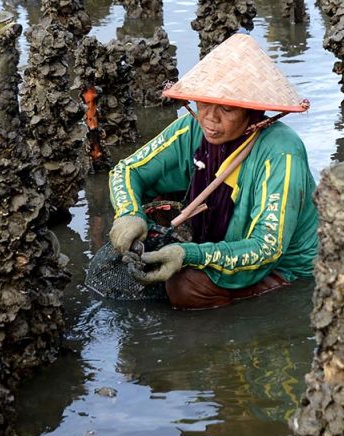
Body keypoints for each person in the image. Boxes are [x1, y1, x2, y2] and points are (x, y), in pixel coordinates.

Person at [107, 32, 319, 310]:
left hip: (281, 266)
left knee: (185, 287)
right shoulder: (192, 128)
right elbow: (127, 170)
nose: (210, 117)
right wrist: (128, 214)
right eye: (204, 102)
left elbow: (266, 248)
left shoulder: (281, 151)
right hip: (216, 239)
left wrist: (189, 254)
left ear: (252, 112)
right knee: (138, 223)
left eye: (228, 108)